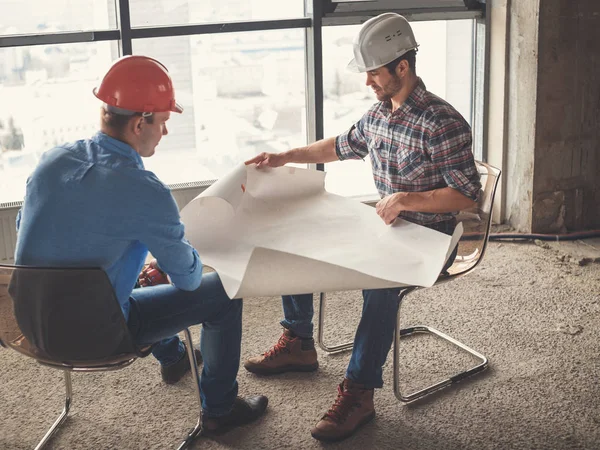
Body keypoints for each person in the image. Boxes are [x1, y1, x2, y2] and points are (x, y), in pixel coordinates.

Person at [244, 13, 481, 442]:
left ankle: (359, 392)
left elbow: (467, 194)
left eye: (373, 72)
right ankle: (298, 341)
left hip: (433, 237)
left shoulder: (442, 122)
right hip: (387, 227)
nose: (367, 82)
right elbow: (338, 146)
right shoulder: (377, 115)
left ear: (402, 67)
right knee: (298, 232)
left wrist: (409, 199)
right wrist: (284, 157)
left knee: (380, 285)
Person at [14, 55, 267, 436]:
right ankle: (220, 408)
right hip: (97, 337)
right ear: (138, 123)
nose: (164, 133)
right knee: (225, 294)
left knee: (128, 277)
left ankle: (174, 358)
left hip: (28, 324)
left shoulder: (51, 160)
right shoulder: (144, 190)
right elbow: (188, 280)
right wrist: (185, 253)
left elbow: (30, 233)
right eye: (163, 122)